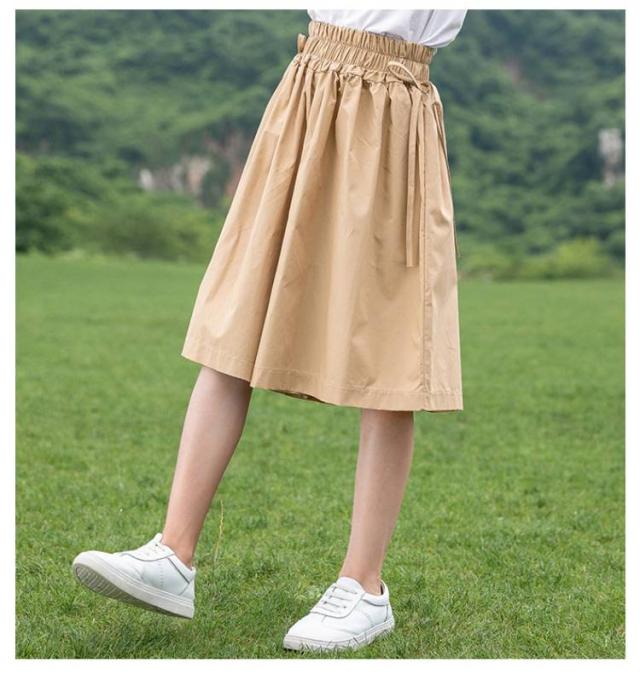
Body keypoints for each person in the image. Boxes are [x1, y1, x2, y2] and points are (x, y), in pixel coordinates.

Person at [71, 9, 467, 654]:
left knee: (391, 354)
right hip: (305, 90)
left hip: (393, 113)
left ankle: (363, 587)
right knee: (238, 320)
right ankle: (173, 554)